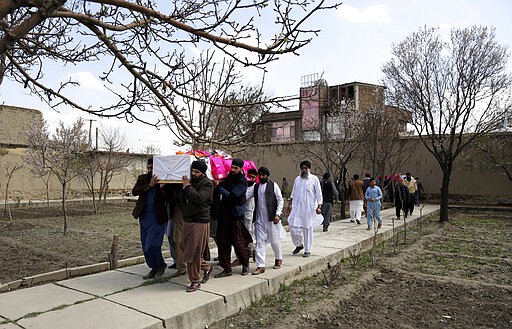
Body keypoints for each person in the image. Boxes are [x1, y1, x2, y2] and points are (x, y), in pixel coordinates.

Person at [214, 158, 252, 277]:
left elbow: (233, 196)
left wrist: (219, 187)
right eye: (232, 167)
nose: (233, 170)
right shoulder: (229, 177)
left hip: (235, 215)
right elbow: (223, 185)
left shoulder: (242, 181)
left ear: (241, 169)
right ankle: (226, 268)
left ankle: (245, 263)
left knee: (238, 241)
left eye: (236, 168)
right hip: (224, 214)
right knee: (222, 242)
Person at [181, 160, 214, 292]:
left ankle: (195, 281)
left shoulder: (207, 184)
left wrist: (187, 187)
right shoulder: (190, 181)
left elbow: (199, 198)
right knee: (188, 250)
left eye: (197, 172)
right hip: (189, 220)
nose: (193, 174)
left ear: (202, 173)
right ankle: (206, 266)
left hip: (200, 221)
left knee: (193, 252)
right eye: (192, 171)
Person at [131, 158, 167, 279]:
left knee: (152, 245)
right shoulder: (142, 178)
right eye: (148, 168)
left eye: (152, 168)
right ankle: (154, 267)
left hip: (157, 218)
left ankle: (161, 265)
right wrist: (149, 185)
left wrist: (162, 189)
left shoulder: (164, 180)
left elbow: (171, 199)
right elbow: (134, 192)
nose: (150, 170)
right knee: (145, 246)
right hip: (144, 217)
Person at [246, 167, 285, 275]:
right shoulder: (256, 187)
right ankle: (260, 266)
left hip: (271, 219)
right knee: (260, 243)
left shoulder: (273, 185)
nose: (261, 177)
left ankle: (278, 258)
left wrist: (278, 214)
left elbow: (280, 200)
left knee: (274, 241)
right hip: (259, 220)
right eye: (260, 175)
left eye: (263, 175)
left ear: (267, 176)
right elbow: (246, 195)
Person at [286, 160, 323, 257]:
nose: (304, 170)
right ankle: (299, 245)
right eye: (302, 168)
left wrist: (319, 206)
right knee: (292, 225)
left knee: (307, 229)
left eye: (305, 168)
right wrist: (289, 205)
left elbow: (319, 194)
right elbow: (293, 193)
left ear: (309, 169)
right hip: (297, 207)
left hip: (308, 208)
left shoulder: (314, 179)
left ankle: (307, 250)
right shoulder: (297, 179)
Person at [232, 168, 258, 266]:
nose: (251, 179)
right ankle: (247, 253)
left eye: (253, 177)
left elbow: (244, 197)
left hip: (249, 213)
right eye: (249, 176)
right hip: (241, 212)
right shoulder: (244, 184)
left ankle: (252, 251)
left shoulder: (255, 187)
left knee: (249, 232)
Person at [167, 184, 187, 277]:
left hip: (193, 215)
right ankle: (181, 267)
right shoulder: (173, 186)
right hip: (177, 212)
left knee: (193, 244)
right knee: (178, 240)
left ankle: (204, 266)